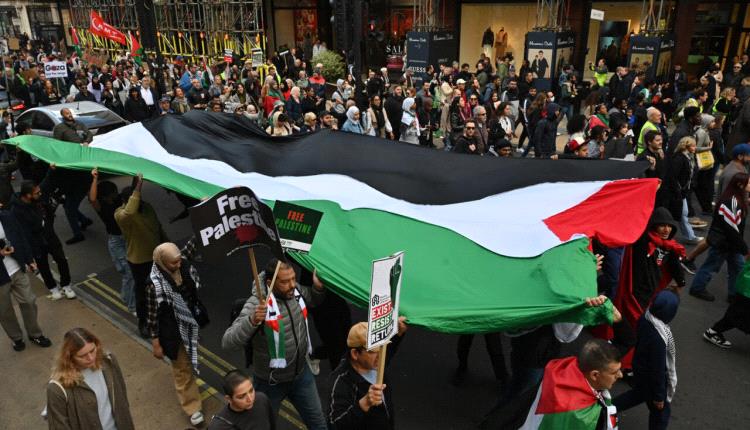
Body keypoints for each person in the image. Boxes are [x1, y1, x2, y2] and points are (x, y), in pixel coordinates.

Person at [222, 258, 328, 430]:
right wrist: (252, 320)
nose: (292, 285)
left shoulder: (294, 291)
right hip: (270, 384)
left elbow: (313, 299)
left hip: (301, 375)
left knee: (319, 425)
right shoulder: (256, 304)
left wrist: (317, 288)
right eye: (285, 282)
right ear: (270, 282)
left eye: (293, 278)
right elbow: (228, 342)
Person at [497, 339, 621, 429]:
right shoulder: (577, 415)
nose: (620, 375)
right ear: (594, 375)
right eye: (614, 372)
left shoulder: (561, 370)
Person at [146, 242, 207, 426]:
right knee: (181, 369)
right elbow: (152, 316)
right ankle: (192, 407)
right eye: (174, 263)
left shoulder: (181, 262)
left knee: (188, 360)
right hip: (172, 331)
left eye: (179, 260)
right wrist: (156, 342)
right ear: (162, 262)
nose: (179, 264)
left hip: (190, 324)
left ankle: (191, 390)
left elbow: (192, 245)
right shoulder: (154, 286)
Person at [614, 290, 679, 430]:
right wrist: (659, 396)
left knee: (637, 395)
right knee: (661, 414)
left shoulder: (646, 317)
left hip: (639, 369)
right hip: (651, 381)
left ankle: (606, 409)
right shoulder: (659, 339)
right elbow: (658, 370)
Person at [46, 327, 134, 430]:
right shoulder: (57, 388)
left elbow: (122, 399)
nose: (91, 358)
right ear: (69, 357)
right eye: (82, 356)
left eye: (92, 350)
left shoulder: (108, 361)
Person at [327, 319, 408, 430]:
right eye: (373, 351)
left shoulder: (375, 361)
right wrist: (364, 403)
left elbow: (388, 352)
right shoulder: (341, 382)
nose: (380, 356)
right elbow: (334, 425)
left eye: (382, 348)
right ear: (355, 354)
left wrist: (398, 334)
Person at [115, 173, 169, 338]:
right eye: (136, 200)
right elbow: (130, 212)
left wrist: (168, 245)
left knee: (162, 290)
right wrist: (138, 187)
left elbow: (158, 227)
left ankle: (162, 320)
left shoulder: (147, 207)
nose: (140, 202)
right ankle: (143, 323)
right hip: (139, 261)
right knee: (143, 295)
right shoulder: (121, 214)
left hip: (156, 257)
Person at [688, 172, 750, 302]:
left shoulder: (735, 199)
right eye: (748, 183)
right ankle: (697, 288)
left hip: (730, 242)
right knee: (711, 266)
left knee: (737, 268)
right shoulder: (732, 201)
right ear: (740, 185)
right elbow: (731, 228)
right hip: (724, 242)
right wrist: (743, 247)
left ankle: (733, 294)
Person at [11, 180, 74, 300]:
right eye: (37, 193)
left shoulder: (39, 200)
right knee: (43, 266)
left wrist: (48, 225)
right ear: (28, 195)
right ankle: (53, 288)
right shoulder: (16, 210)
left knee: (61, 259)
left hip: (50, 236)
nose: (40, 194)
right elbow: (22, 231)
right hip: (35, 242)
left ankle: (66, 285)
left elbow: (49, 212)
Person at [0, 208, 52, 352]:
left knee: (29, 301)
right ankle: (16, 338)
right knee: (4, 310)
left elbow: (21, 238)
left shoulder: (7, 216)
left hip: (17, 268)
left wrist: (29, 259)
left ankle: (35, 334)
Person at [88, 168, 135, 313]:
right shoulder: (102, 207)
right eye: (114, 192)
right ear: (107, 195)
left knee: (129, 273)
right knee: (129, 273)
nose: (117, 193)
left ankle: (126, 297)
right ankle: (131, 304)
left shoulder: (118, 200)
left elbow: (134, 191)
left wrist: (137, 175)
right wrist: (95, 179)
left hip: (127, 239)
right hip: (117, 242)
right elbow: (92, 199)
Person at [208, 369, 275, 430]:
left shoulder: (261, 399)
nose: (250, 399)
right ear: (229, 399)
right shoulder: (219, 427)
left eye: (251, 390)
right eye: (241, 397)